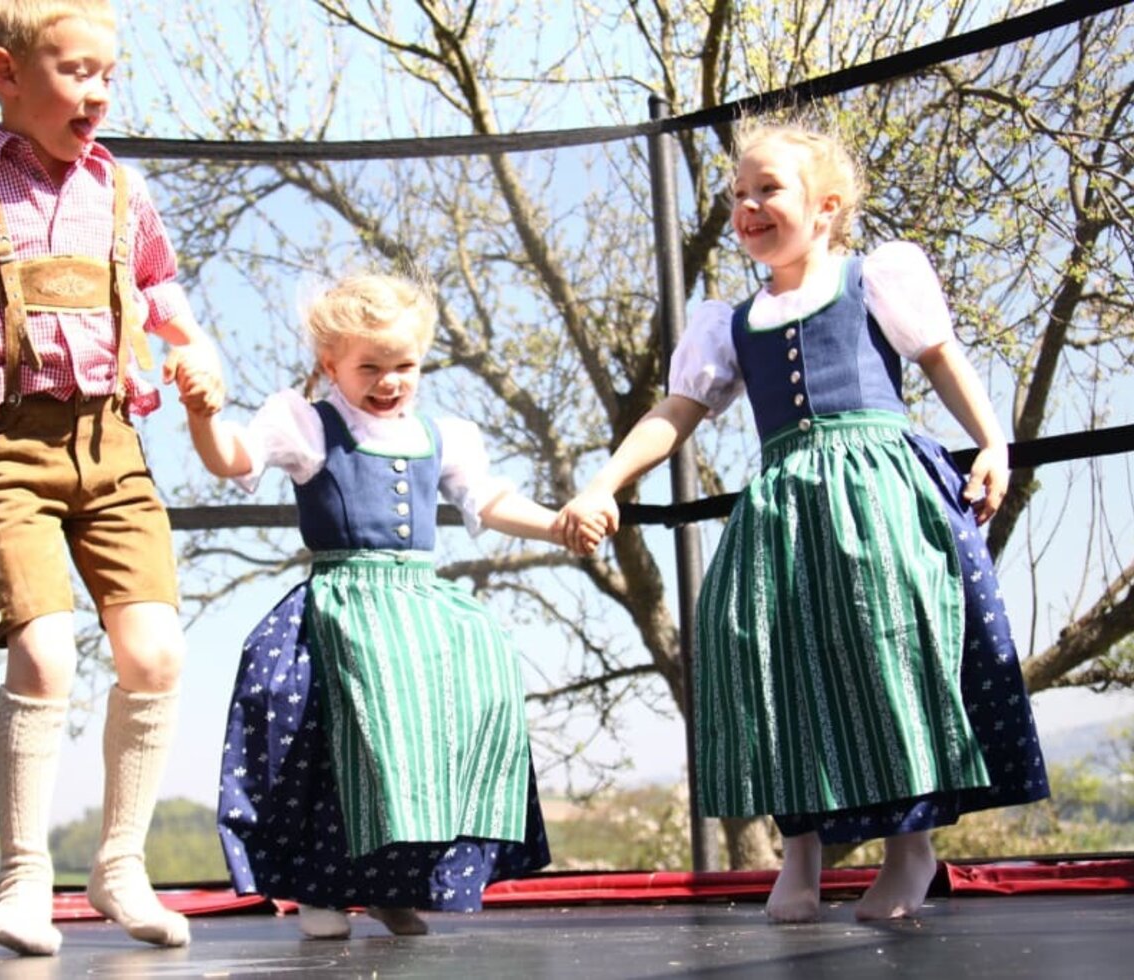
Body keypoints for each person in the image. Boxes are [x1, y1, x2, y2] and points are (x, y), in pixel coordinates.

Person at [559, 120, 1048, 922]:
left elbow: (940, 358)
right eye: (738, 193)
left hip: (878, 488)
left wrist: (993, 442)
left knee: (888, 649)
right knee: (769, 656)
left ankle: (910, 846)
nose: (747, 205)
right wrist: (605, 481)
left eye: (767, 190)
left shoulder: (875, 278)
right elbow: (676, 411)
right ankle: (802, 851)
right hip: (787, 500)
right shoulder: (731, 321)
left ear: (824, 208)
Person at [177, 271, 603, 939]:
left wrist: (555, 525)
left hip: (415, 605)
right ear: (331, 365)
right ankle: (321, 890)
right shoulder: (309, 425)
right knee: (328, 737)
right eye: (369, 366)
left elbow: (486, 500)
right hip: (343, 604)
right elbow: (232, 460)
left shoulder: (442, 435)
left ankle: (396, 880)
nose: (389, 381)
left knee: (441, 720)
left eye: (404, 365)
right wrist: (204, 416)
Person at [0, 0, 224, 957]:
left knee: (156, 652)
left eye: (109, 72)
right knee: (47, 652)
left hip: (112, 446)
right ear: (9, 74)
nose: (98, 92)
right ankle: (23, 878)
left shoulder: (122, 191)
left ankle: (119, 866)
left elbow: (159, 291)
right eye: (76, 72)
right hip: (7, 447)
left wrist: (195, 349)